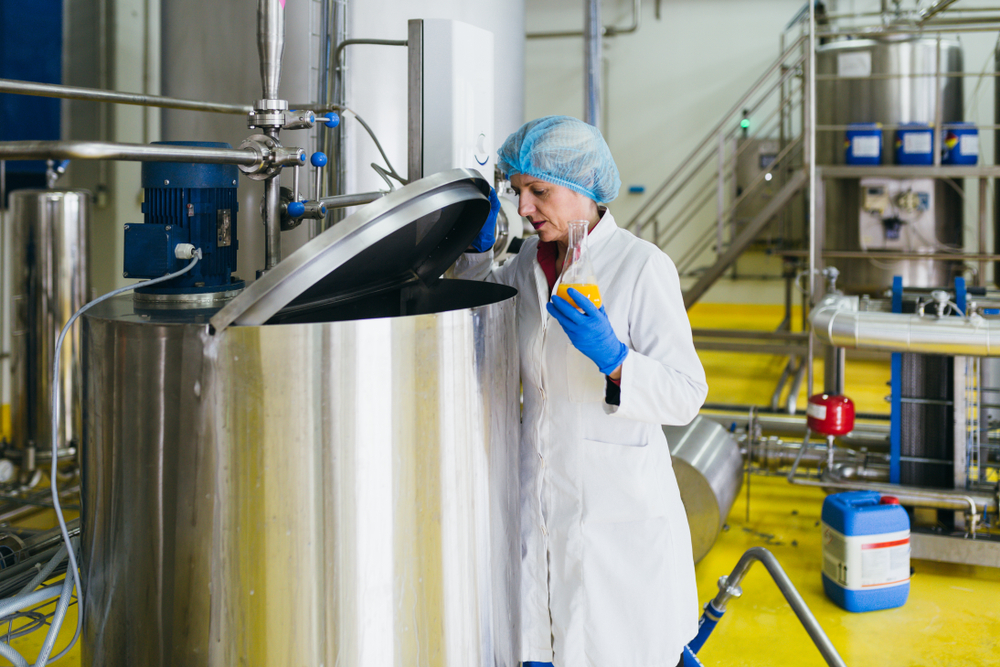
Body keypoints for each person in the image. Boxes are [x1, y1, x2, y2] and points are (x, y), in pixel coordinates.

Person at [456, 115, 708, 667]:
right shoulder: (526, 264)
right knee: (546, 641)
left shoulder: (641, 266)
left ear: (583, 188)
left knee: (620, 645)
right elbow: (476, 314)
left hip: (619, 517)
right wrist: (472, 253)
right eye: (518, 192)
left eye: (538, 192)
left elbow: (687, 393)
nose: (523, 209)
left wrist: (617, 362)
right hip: (541, 500)